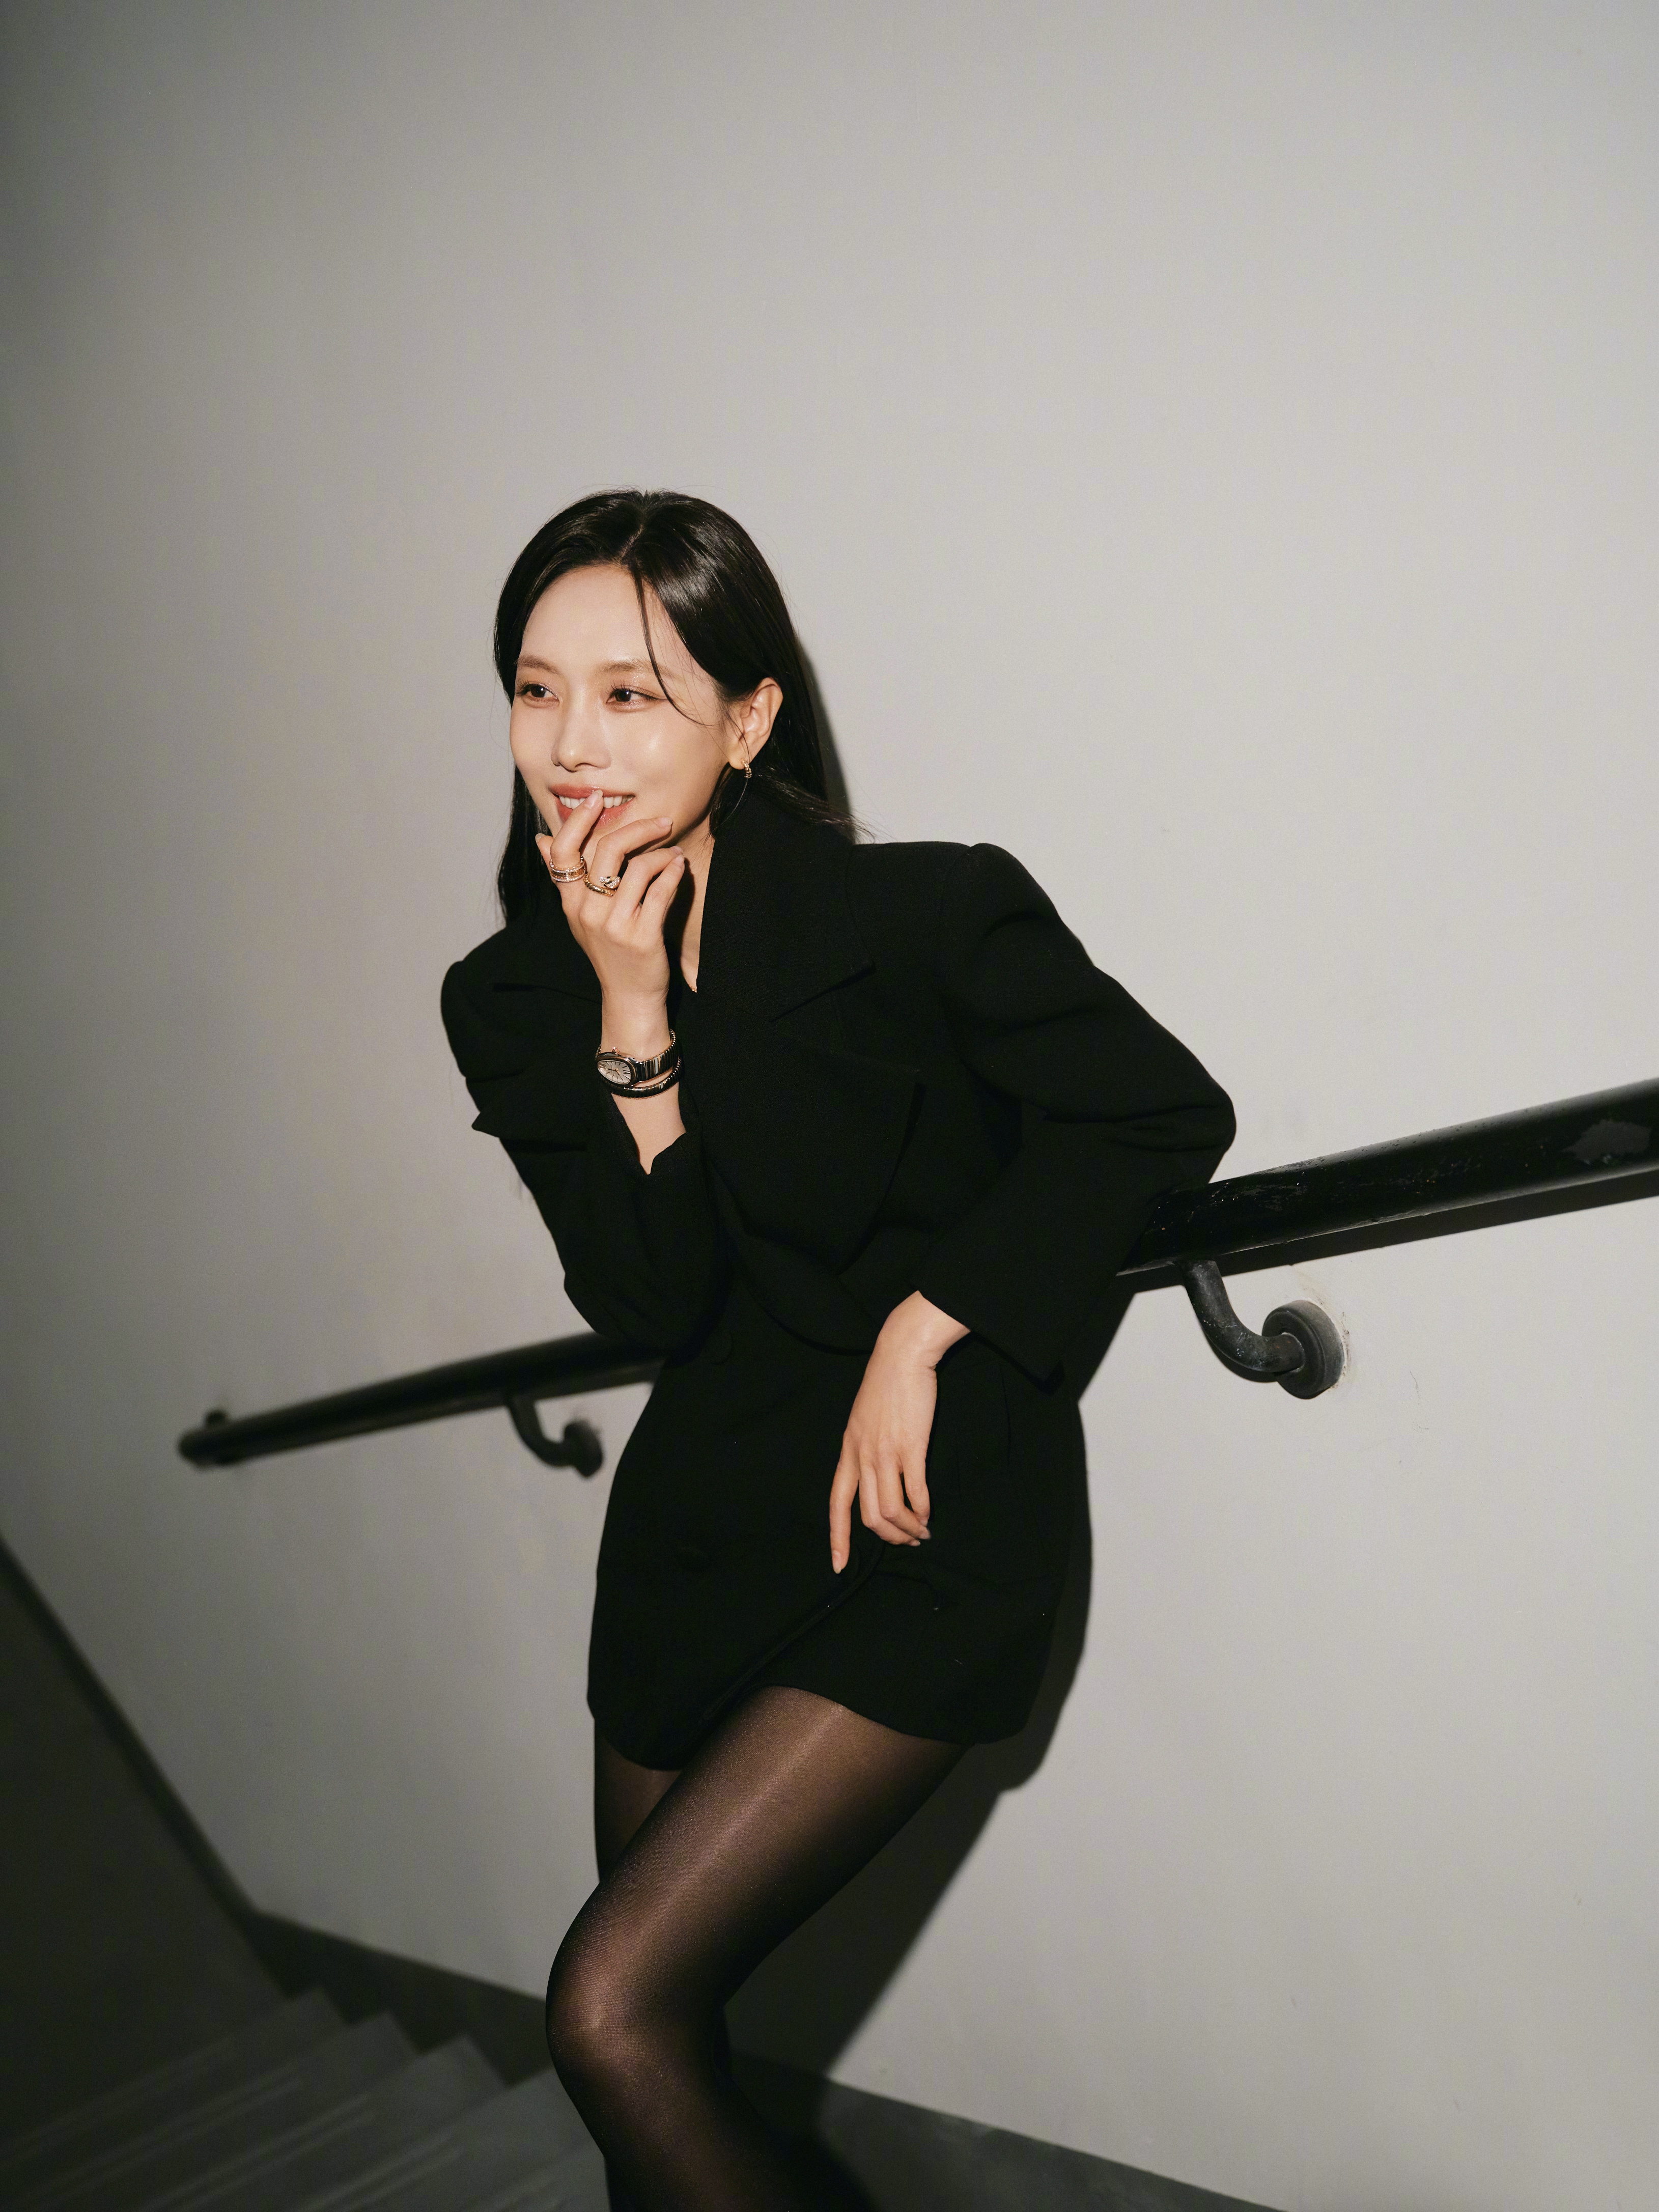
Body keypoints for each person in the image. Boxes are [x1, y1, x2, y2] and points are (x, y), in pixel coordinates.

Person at [441, 489, 1235, 2209]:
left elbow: (1154, 1112)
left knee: (606, 2009)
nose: (571, 743)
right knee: (661, 2054)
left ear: (747, 718)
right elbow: (652, 1304)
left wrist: (927, 1318)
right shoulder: (511, 997)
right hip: (704, 1524)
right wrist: (631, 1015)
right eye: (536, 689)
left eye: (631, 693)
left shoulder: (922, 914)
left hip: (919, 1506)